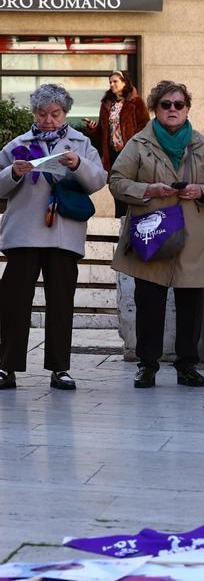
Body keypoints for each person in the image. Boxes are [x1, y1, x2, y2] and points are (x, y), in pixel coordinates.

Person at [109, 81, 204, 389]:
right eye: (166, 104)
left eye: (179, 104)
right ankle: (147, 365)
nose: (173, 109)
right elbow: (117, 181)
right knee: (149, 303)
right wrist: (146, 190)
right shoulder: (139, 143)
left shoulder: (201, 144)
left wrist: (200, 190)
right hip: (152, 235)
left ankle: (187, 365)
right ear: (155, 109)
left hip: (191, 236)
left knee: (191, 305)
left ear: (188, 108)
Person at [0, 84, 107, 391]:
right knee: (13, 303)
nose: (48, 120)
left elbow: (99, 180)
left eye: (55, 114)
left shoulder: (80, 143)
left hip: (63, 235)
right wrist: (14, 174)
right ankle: (7, 367)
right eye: (42, 113)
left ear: (65, 113)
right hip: (23, 234)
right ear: (35, 113)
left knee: (61, 303)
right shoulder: (18, 144)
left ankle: (59, 368)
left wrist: (78, 164)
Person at [83, 70, 149, 217]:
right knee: (117, 187)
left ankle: (134, 218)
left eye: (115, 81)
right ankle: (120, 219)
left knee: (131, 186)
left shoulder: (135, 102)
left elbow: (145, 126)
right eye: (110, 82)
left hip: (130, 152)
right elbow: (102, 131)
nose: (112, 85)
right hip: (113, 153)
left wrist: (136, 145)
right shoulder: (107, 104)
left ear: (124, 83)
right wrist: (93, 128)